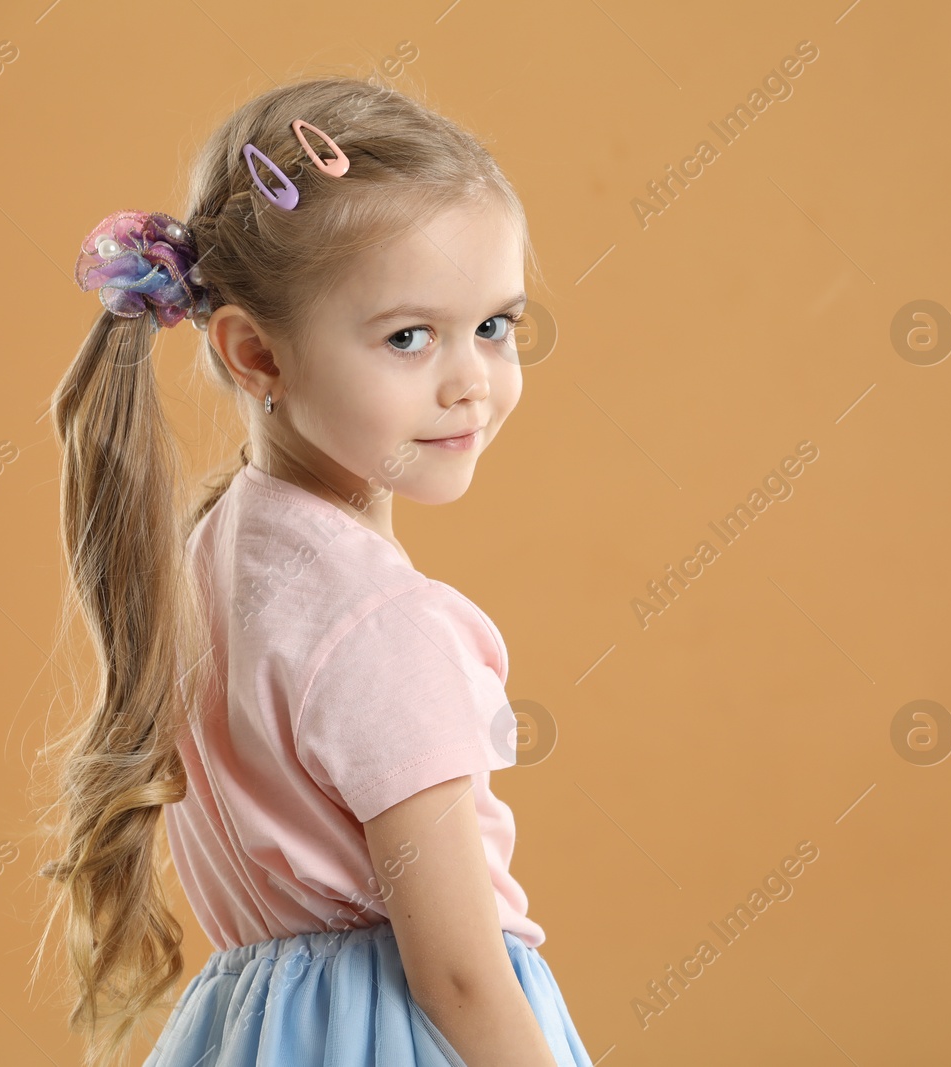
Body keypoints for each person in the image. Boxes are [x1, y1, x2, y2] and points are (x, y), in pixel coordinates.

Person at [30, 73, 591, 1067]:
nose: (471, 381)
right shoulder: (382, 622)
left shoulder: (217, 552)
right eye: (409, 336)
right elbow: (459, 974)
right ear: (257, 354)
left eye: (495, 326)